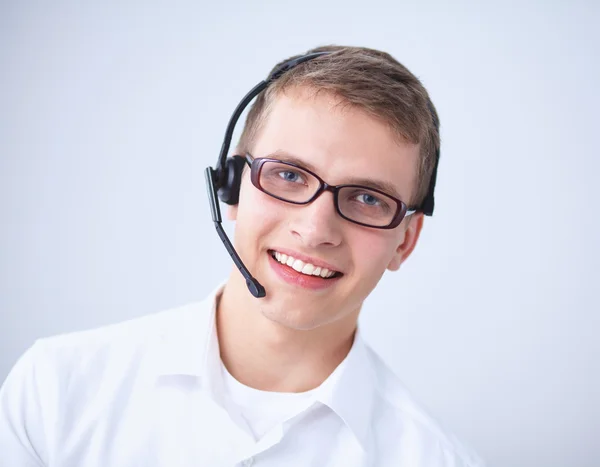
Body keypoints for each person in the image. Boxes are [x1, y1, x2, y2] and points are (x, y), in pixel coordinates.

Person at [0, 45, 484, 466]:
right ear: (229, 187)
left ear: (406, 240)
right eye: (289, 175)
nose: (315, 230)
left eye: (368, 199)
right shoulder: (56, 390)